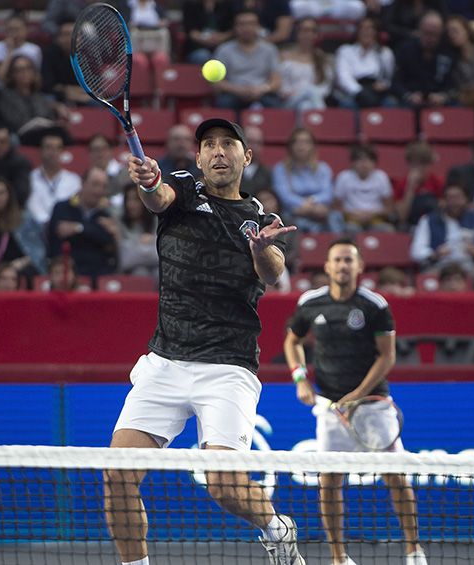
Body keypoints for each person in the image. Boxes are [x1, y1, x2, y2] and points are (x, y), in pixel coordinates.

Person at [108, 117, 302, 565]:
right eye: (209, 145)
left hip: (227, 368)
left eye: (228, 144)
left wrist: (258, 249)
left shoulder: (262, 220)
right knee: (117, 475)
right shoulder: (183, 190)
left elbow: (272, 272)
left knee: (223, 483)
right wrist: (149, 179)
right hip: (166, 361)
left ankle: (277, 529)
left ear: (245, 157)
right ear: (198, 157)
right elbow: (158, 196)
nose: (217, 151)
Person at [283, 238, 427, 565]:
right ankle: (338, 557)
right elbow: (293, 341)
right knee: (329, 482)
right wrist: (300, 378)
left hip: (374, 405)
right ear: (328, 266)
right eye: (337, 260)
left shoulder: (375, 306)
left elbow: (387, 357)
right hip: (332, 408)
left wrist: (359, 395)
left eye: (349, 260)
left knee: (396, 477)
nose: (343, 266)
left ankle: (413, 550)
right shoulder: (311, 303)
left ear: (359, 267)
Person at [411, 182, 474, 278]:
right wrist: (435, 254)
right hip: (440, 266)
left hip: (469, 266)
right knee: (427, 279)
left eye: (458, 198)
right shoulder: (428, 220)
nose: (454, 203)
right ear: (443, 201)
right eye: (450, 198)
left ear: (466, 200)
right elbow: (416, 251)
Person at [46, 167, 120, 279]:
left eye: (103, 186)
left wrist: (78, 228)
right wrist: (94, 232)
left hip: (98, 273)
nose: (99, 191)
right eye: (95, 184)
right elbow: (59, 233)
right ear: (82, 183)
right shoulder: (62, 208)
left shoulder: (106, 214)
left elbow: (106, 239)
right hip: (66, 273)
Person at [272, 127, 341, 232]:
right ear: (291, 146)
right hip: (293, 212)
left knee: (335, 217)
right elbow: (284, 195)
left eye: (306, 142)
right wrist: (303, 205)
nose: (301, 146)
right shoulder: (281, 169)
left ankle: (339, 246)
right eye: (297, 142)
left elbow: (327, 193)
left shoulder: (323, 169)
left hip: (320, 211)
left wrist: (311, 202)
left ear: (313, 146)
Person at [213, 10, 283, 110]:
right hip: (234, 92)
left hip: (262, 92)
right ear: (235, 27)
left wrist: (262, 89)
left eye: (251, 24)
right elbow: (217, 82)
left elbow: (276, 81)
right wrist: (238, 90)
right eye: (242, 24)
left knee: (274, 103)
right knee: (224, 103)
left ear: (258, 26)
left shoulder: (270, 49)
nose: (246, 28)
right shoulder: (224, 50)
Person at [0, 177, 46, 277]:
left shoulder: (24, 218)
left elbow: (38, 251)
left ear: (9, 195)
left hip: (19, 266)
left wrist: (19, 263)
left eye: (1, 193)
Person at [392, 11, 457, 108]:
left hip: (440, 101)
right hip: (411, 101)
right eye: (426, 33)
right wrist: (408, 95)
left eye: (434, 34)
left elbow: (455, 84)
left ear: (441, 33)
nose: (429, 38)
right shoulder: (406, 50)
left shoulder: (449, 52)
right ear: (419, 30)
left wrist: (444, 96)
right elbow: (396, 82)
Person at [332, 17, 396, 109]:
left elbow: (389, 77)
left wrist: (384, 85)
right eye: (363, 28)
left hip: (376, 90)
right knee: (347, 104)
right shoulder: (345, 51)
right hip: (354, 91)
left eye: (371, 28)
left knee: (390, 103)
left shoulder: (384, 52)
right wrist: (360, 92)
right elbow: (344, 77)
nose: (367, 32)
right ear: (357, 31)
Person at [334, 144, 395, 231]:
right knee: (350, 229)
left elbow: (389, 207)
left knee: (388, 230)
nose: (364, 164)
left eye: (368, 160)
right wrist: (353, 214)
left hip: (375, 219)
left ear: (374, 162)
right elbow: (336, 207)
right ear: (353, 162)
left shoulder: (381, 177)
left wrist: (372, 214)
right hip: (351, 219)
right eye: (360, 160)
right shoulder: (344, 177)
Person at [28, 131, 82, 226]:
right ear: (41, 150)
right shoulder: (29, 179)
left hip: (64, 229)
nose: (52, 152)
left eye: (57, 148)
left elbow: (76, 207)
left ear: (62, 152)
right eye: (48, 147)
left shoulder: (74, 181)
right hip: (35, 230)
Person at [277, 18, 333, 111]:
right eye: (305, 30)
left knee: (305, 105)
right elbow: (278, 81)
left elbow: (326, 85)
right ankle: (323, 120)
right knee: (309, 91)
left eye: (313, 31)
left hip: (313, 100)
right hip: (288, 101)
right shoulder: (285, 56)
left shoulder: (322, 58)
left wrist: (314, 93)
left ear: (316, 35)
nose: (309, 34)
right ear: (298, 33)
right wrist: (286, 92)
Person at [394, 140, 445, 227]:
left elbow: (443, 209)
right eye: (415, 165)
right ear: (409, 165)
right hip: (411, 225)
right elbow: (402, 217)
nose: (420, 169)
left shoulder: (437, 182)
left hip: (432, 225)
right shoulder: (402, 184)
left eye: (424, 165)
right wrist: (410, 188)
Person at [117, 183, 159, 277]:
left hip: (156, 272)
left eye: (136, 199)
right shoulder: (120, 224)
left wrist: (135, 246)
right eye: (128, 199)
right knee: (140, 272)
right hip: (130, 277)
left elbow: (162, 256)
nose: (131, 205)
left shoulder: (156, 221)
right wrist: (151, 244)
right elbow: (126, 261)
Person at [0, 11, 42, 84]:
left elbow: (35, 77)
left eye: (17, 29)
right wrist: (10, 51)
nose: (13, 33)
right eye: (10, 29)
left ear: (26, 30)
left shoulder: (34, 49)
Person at [182, 0, 236, 65]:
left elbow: (232, 30)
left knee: (227, 54)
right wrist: (205, 38)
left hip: (222, 44)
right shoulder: (190, 5)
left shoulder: (227, 5)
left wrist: (221, 37)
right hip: (198, 46)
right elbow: (190, 31)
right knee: (202, 56)